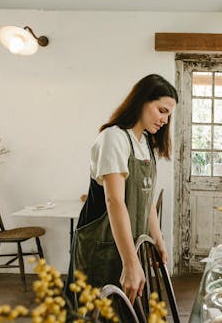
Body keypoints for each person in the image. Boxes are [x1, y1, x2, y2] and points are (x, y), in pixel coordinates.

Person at [73, 74, 178, 304]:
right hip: (103, 248)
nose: (165, 120)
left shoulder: (145, 144)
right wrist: (130, 261)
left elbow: (147, 198)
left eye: (169, 115)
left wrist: (158, 239)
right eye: (162, 111)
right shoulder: (114, 138)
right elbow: (115, 201)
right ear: (141, 101)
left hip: (129, 246)